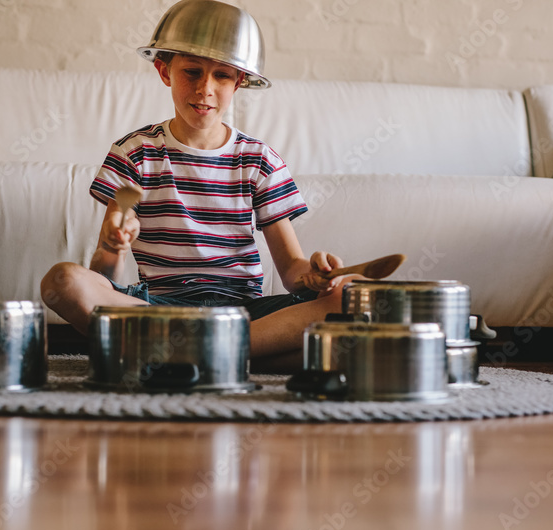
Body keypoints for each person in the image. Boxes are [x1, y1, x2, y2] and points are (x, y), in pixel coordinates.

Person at [40, 0, 358, 365]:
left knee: (350, 294)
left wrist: (316, 275)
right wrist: (113, 248)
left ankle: (183, 354)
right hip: (160, 308)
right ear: (164, 71)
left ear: (239, 81)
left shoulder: (259, 160)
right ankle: (238, 356)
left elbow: (291, 271)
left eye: (222, 75)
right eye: (192, 72)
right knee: (62, 281)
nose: (205, 88)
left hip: (246, 312)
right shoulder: (135, 153)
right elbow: (103, 278)